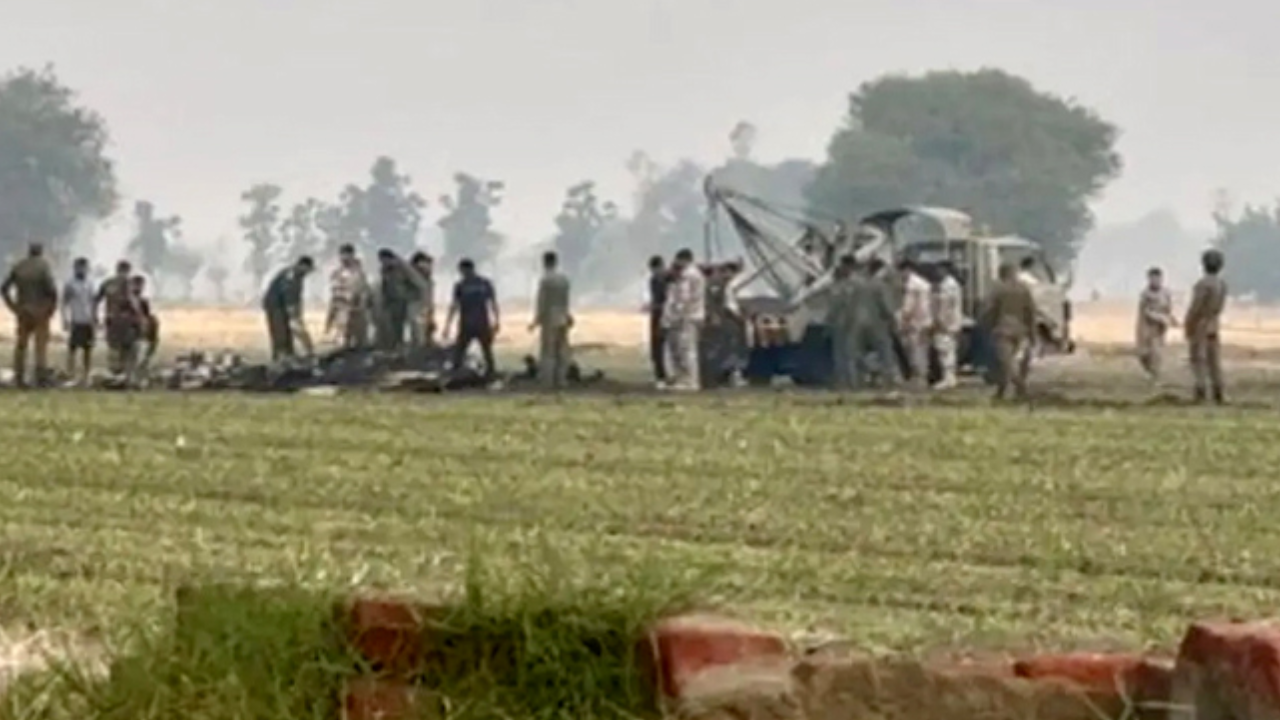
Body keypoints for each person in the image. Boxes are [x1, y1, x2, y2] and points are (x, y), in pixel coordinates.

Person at [0, 243, 58, 387]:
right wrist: (50, 309)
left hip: (23, 310)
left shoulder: (19, 266)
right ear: (40, 252)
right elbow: (52, 290)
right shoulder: (43, 267)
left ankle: (19, 376)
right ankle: (40, 377)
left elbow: (4, 288)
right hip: (40, 312)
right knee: (40, 346)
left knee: (21, 345)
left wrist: (13, 307)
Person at [981, 263, 1037, 400]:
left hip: (1002, 329)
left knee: (1006, 363)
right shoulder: (1024, 289)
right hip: (1020, 329)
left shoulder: (998, 289)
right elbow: (1031, 312)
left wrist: (986, 327)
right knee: (1014, 362)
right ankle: (1003, 391)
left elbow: (989, 310)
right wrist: (1032, 333)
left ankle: (1021, 387)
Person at [1184, 249, 1228, 404]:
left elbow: (1195, 307)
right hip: (1214, 324)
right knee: (1214, 361)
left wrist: (1188, 324)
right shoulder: (1222, 284)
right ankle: (1218, 390)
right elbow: (1220, 306)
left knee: (1198, 359)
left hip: (1200, 325)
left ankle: (1200, 390)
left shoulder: (1202, 284)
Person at [443, 258, 499, 379]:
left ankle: (455, 373)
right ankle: (491, 373)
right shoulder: (484, 283)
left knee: (461, 350)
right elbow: (493, 303)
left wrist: (447, 325)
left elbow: (454, 306)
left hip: (467, 323)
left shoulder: (461, 285)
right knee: (486, 350)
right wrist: (497, 320)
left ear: (463, 270)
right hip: (481, 322)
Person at [662, 248, 706, 391]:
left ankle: (690, 381)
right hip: (690, 315)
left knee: (686, 349)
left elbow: (683, 298)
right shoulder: (692, 274)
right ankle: (683, 379)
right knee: (681, 349)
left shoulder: (688, 275)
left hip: (687, 317)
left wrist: (677, 315)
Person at [528, 251, 572, 389]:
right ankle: (561, 379)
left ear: (544, 262)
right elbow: (565, 301)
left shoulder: (545, 280)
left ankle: (548, 380)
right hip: (562, 317)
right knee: (562, 350)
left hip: (549, 319)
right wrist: (568, 315)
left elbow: (542, 301)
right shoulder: (563, 279)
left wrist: (536, 320)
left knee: (548, 351)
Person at [262, 256, 315, 361]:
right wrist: (293, 314)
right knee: (280, 331)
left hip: (284, 305)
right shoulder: (290, 276)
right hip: (275, 305)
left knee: (288, 331)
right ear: (302, 266)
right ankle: (280, 357)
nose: (308, 273)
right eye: (308, 269)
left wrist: (298, 314)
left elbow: (297, 297)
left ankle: (289, 354)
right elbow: (288, 295)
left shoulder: (299, 276)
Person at [96, 260, 139, 377]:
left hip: (115, 320)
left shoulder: (108, 283)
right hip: (121, 320)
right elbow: (133, 303)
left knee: (118, 347)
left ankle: (117, 372)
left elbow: (96, 300)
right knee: (121, 348)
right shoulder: (127, 284)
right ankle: (120, 372)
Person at [1135, 266, 1176, 384]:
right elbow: (1145, 311)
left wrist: (1171, 319)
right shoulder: (1145, 294)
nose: (1155, 281)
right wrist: (1160, 318)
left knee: (1156, 352)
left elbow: (1168, 309)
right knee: (1143, 354)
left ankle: (1155, 375)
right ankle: (1150, 371)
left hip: (1159, 329)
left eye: (1157, 278)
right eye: (1153, 278)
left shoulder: (1166, 293)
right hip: (1146, 327)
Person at [326, 244, 371, 350]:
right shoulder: (337, 272)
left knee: (360, 338)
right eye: (342, 255)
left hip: (357, 308)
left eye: (347, 255)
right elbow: (334, 291)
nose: (344, 258)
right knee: (343, 336)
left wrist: (362, 303)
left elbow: (363, 289)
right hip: (342, 307)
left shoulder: (358, 271)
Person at [897, 259, 933, 389]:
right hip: (925, 320)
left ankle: (919, 379)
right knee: (923, 350)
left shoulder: (912, 285)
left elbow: (909, 306)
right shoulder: (924, 283)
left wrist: (903, 321)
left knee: (916, 351)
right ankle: (922, 378)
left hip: (916, 322)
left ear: (907, 270)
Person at [62, 257, 97, 386]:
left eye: (84, 267)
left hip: (88, 320)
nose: (82, 270)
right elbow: (64, 303)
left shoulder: (90, 283)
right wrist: (65, 319)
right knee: (73, 348)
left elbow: (93, 302)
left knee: (88, 349)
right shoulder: (70, 284)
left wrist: (95, 318)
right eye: (79, 267)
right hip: (76, 319)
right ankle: (70, 373)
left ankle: (86, 375)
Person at [826, 255, 859, 389]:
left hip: (843, 322)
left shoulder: (843, 286)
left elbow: (836, 304)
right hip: (855, 322)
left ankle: (845, 381)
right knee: (850, 353)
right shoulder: (858, 282)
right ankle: (852, 381)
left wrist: (829, 318)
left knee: (841, 353)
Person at [375, 249, 418, 352]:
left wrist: (409, 296)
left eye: (383, 260)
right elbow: (384, 285)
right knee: (390, 326)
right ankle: (392, 347)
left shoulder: (402, 268)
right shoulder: (384, 269)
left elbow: (415, 283)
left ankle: (400, 347)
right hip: (390, 301)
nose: (383, 262)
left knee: (399, 325)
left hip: (401, 301)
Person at [932, 261, 963, 389]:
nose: (937, 272)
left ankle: (949, 378)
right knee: (948, 349)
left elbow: (946, 305)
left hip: (947, 321)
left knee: (945, 349)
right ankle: (949, 377)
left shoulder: (948, 285)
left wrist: (941, 321)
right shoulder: (951, 284)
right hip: (951, 320)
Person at [643, 255, 670, 388]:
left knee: (672, 346)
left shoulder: (668, 279)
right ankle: (660, 375)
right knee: (656, 347)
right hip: (657, 314)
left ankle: (666, 376)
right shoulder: (654, 280)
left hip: (666, 314)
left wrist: (655, 306)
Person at [130, 275, 160, 379]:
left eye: (141, 286)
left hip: (142, 331)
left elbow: (146, 315)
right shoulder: (127, 300)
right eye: (136, 285)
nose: (139, 288)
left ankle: (142, 369)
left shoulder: (143, 301)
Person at [407, 252, 436, 349]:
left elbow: (430, 301)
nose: (429, 269)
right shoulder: (412, 281)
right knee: (418, 338)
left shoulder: (428, 282)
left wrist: (431, 317)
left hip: (425, 310)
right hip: (416, 309)